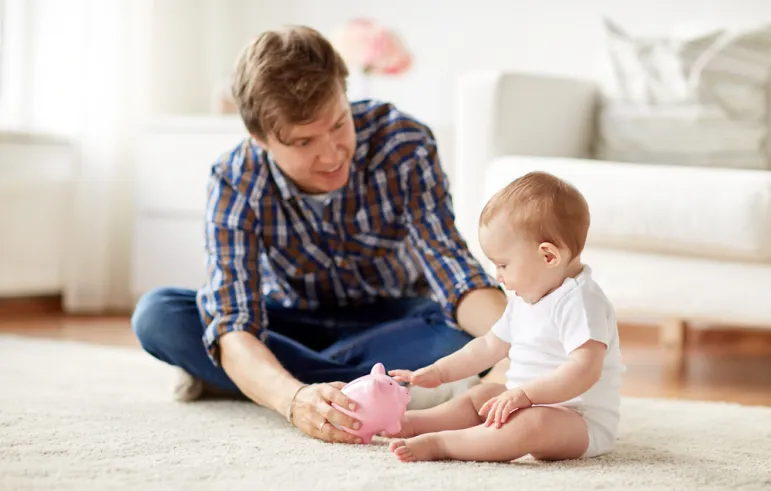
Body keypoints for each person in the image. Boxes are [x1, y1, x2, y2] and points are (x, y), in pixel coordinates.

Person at [130, 25, 508, 445]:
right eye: (304, 141)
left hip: (395, 319)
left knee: (460, 338)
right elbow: (234, 319)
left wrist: (520, 339)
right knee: (160, 314)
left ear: (345, 95)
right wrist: (293, 401)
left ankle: (243, 379)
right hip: (288, 320)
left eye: (338, 124)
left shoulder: (403, 143)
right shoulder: (236, 177)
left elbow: (453, 272)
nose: (331, 155)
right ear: (260, 140)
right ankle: (376, 390)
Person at [386, 171, 625, 463]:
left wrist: (526, 395)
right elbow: (488, 347)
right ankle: (413, 423)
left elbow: (584, 370)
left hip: (577, 420)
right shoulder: (524, 300)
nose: (497, 276)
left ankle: (445, 445)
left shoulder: (581, 301)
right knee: (481, 396)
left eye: (503, 265)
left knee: (531, 424)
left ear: (548, 256)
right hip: (524, 399)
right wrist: (439, 371)